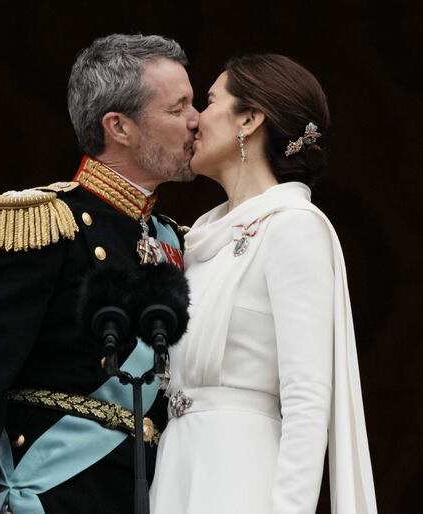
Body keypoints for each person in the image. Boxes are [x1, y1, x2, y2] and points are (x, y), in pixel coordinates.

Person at [0, 34, 198, 514]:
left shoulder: (175, 241)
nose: (197, 122)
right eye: (178, 109)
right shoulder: (43, 223)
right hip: (50, 494)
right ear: (119, 126)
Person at [149, 54, 378, 513]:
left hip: (241, 474)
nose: (194, 120)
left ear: (249, 120)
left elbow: (307, 398)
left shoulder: (292, 227)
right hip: (176, 471)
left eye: (209, 101)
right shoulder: (195, 239)